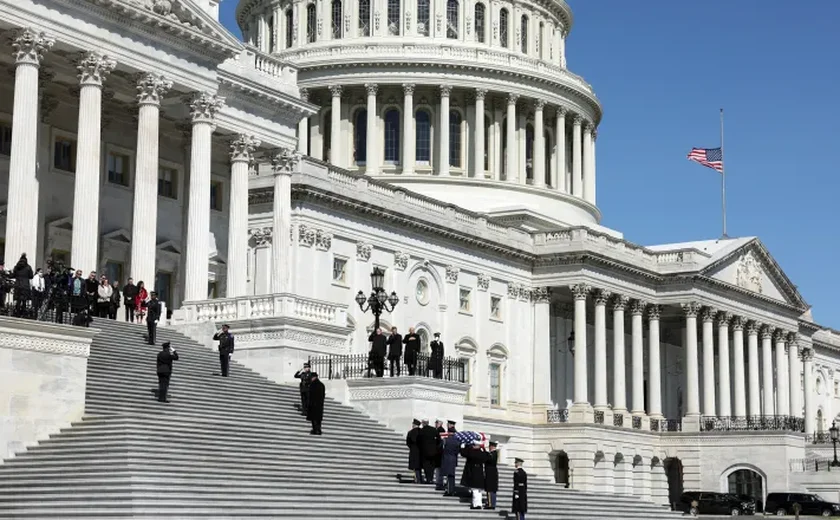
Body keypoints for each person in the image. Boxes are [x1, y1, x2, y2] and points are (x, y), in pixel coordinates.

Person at [461, 442, 489, 510]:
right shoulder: (482, 453)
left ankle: (476, 504)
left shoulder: (473, 452)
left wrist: (463, 447)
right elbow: (486, 457)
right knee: (479, 491)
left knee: (475, 490)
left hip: (473, 472)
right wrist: (484, 449)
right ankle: (479, 504)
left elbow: (464, 454)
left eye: (473, 445)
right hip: (480, 472)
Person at [418, 419, 440, 484]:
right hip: (433, 452)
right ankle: (431, 478)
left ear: (423, 423)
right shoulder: (434, 430)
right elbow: (439, 440)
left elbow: (419, 441)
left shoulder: (421, 431)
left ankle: (428, 479)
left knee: (426, 466)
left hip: (424, 452)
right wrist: (436, 447)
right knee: (432, 466)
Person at [441, 420, 459, 496]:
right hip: (453, 459)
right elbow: (458, 451)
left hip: (447, 459)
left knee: (448, 476)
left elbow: (441, 449)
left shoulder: (445, 440)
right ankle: (451, 489)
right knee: (452, 476)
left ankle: (449, 490)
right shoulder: (457, 441)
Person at [484, 441, 500, 510]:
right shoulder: (493, 453)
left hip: (490, 473)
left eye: (490, 446)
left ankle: (490, 504)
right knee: (492, 489)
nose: (489, 448)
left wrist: (485, 452)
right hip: (492, 472)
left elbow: (489, 460)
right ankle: (491, 503)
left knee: (490, 488)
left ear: (492, 446)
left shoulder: (493, 453)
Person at [434, 419, 446, 490]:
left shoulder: (441, 430)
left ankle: (439, 482)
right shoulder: (438, 430)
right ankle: (439, 481)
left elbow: (440, 442)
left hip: (440, 453)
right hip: (439, 453)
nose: (435, 424)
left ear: (440, 424)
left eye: (437, 423)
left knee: (439, 468)